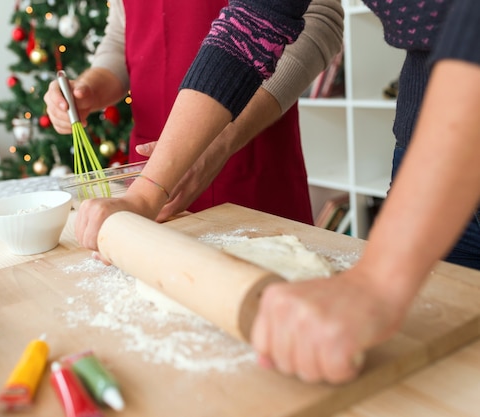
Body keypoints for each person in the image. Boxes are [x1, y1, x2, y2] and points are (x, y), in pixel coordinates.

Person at [66, 0, 480, 385]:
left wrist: (379, 281)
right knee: (446, 365)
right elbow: (255, 18)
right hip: (429, 129)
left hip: (462, 127)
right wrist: (147, 192)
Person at [45, 0, 344, 224]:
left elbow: (318, 20)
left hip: (247, 167)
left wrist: (223, 139)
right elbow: (120, 38)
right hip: (147, 175)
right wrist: (88, 89)